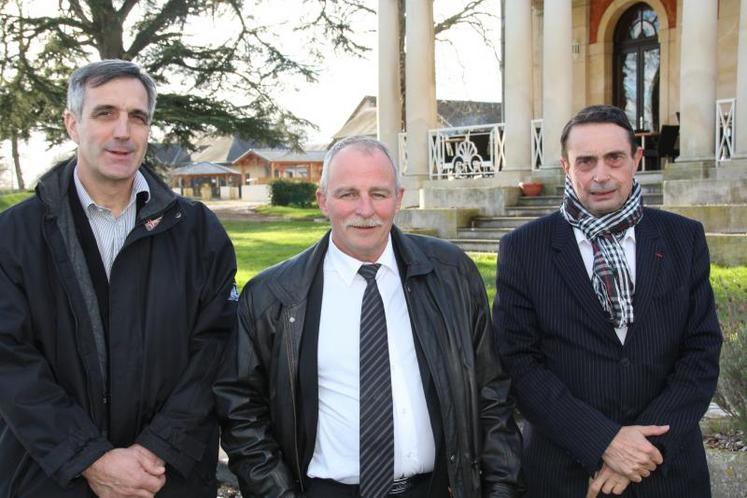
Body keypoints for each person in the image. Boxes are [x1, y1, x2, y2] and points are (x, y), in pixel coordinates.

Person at [214, 136, 523, 498]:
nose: (365, 209)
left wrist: (502, 490)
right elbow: (242, 412)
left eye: (379, 193)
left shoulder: (452, 275)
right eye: (348, 194)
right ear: (322, 200)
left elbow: (492, 395)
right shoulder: (272, 296)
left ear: (399, 199)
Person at [0, 59, 238, 497]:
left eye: (138, 117)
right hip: (49, 479)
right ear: (72, 123)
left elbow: (217, 350)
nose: (123, 131)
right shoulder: (13, 236)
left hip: (166, 480)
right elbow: (10, 362)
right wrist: (89, 458)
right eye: (105, 113)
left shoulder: (199, 234)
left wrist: (154, 450)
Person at [493, 104, 722, 498]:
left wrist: (644, 450)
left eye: (614, 158)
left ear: (635, 160)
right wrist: (604, 443)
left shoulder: (683, 239)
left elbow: (701, 352)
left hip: (668, 474)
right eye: (585, 162)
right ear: (566, 167)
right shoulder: (524, 249)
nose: (600, 175)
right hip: (567, 475)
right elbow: (519, 363)